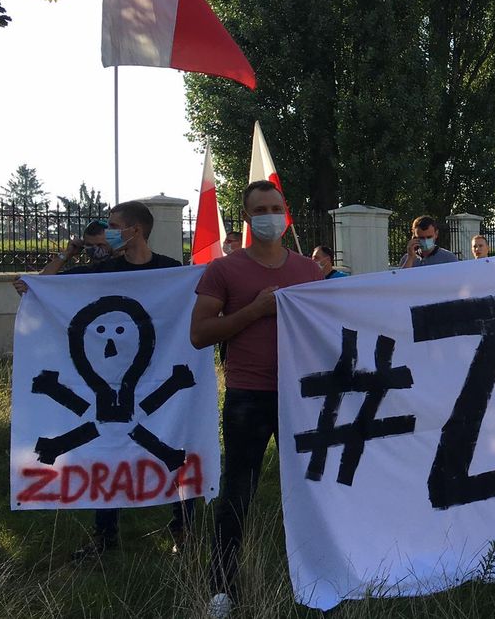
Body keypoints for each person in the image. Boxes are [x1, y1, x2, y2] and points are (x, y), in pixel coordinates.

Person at [20, 203, 191, 560]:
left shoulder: (171, 272)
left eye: (114, 225)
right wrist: (68, 253)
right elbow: (37, 288)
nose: (107, 231)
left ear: (136, 231)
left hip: (155, 376)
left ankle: (183, 530)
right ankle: (104, 535)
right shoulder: (104, 270)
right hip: (108, 382)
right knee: (108, 454)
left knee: (177, 446)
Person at [189, 180, 322, 614]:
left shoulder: (308, 270)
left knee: (311, 491)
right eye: (260, 209)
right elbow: (199, 334)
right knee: (238, 493)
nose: (269, 215)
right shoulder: (224, 270)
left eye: (275, 207)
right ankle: (222, 588)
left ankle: (320, 580)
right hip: (249, 395)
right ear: (247, 219)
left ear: (286, 213)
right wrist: (253, 311)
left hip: (301, 397)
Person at [11, 220, 110, 295]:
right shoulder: (81, 274)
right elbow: (44, 280)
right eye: (90, 245)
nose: (95, 249)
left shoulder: (123, 268)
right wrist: (67, 254)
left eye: (101, 245)